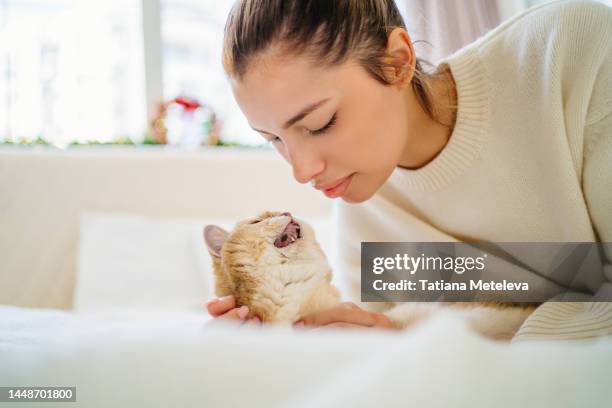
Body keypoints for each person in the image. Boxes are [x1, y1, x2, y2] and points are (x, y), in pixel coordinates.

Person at [206, 0, 612, 340]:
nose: (302, 170)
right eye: (274, 139)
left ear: (397, 62)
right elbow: (383, 345)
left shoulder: (571, 54)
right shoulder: (362, 219)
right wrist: (273, 339)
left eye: (320, 124)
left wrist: (451, 347)